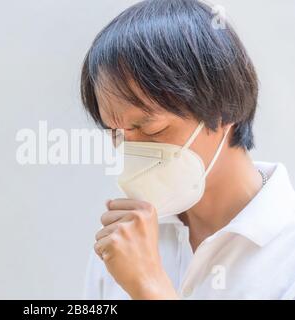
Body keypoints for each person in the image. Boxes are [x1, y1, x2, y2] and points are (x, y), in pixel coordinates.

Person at [80, 0, 295, 299]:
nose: (132, 152)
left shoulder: (286, 250)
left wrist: (149, 286)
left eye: (151, 128)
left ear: (223, 109)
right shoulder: (126, 239)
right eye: (116, 133)